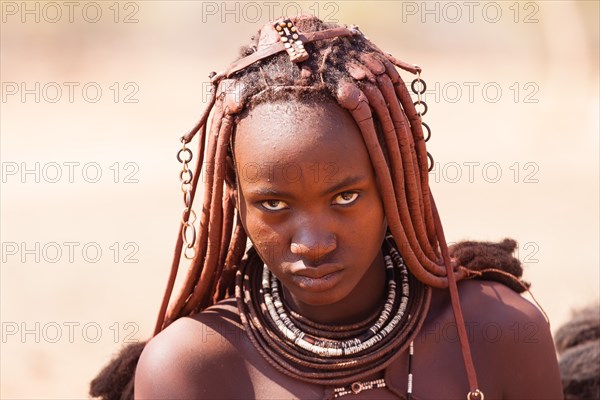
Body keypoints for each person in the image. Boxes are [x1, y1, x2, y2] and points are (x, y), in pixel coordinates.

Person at [90, 14, 563, 400]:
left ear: (395, 184)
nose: (313, 244)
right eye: (273, 203)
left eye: (345, 197)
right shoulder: (194, 368)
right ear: (239, 202)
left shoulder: (494, 334)